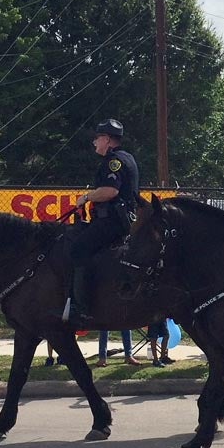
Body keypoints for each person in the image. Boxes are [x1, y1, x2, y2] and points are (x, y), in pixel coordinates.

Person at [65, 118, 139, 322]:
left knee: (78, 249)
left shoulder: (113, 161)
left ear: (107, 139)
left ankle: (81, 308)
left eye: (97, 138)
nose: (94, 143)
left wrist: (87, 197)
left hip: (112, 222)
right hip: (119, 220)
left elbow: (110, 191)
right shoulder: (127, 157)